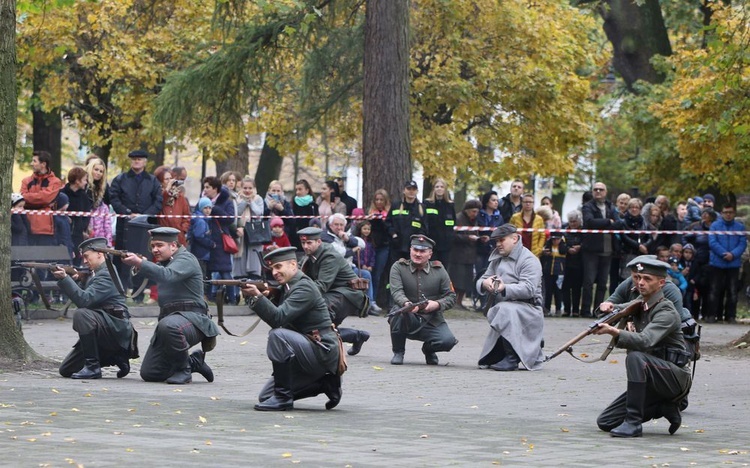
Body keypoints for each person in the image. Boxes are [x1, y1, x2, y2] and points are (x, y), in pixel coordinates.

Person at [593, 257, 692, 437]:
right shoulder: (641, 304)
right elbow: (619, 308)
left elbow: (645, 340)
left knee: (636, 357)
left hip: (673, 378)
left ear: (661, 283)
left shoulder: (666, 311)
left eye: (647, 279)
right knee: (605, 422)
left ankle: (633, 423)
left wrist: (613, 332)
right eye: (637, 277)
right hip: (650, 377)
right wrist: (608, 307)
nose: (640, 282)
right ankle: (663, 407)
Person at [241, 247, 342, 411]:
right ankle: (324, 384)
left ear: (293, 264)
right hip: (307, 349)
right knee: (265, 397)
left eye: (278, 267)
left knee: (278, 335)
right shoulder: (287, 287)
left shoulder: (304, 288)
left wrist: (258, 296)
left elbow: (278, 319)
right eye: (272, 268)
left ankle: (283, 399)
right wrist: (258, 296)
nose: (274, 272)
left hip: (322, 350)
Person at [121, 227, 219, 384]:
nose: (155, 249)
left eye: (159, 245)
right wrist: (139, 265)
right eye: (153, 246)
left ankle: (184, 370)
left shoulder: (186, 259)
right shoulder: (166, 263)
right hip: (170, 322)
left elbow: (167, 275)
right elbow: (150, 277)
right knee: (150, 373)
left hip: (193, 321)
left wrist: (141, 262)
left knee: (169, 326)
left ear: (173, 245)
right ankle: (194, 362)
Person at [53, 237, 135, 379]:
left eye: (86, 256)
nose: (84, 261)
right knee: (66, 370)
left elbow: (84, 300)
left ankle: (93, 367)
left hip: (115, 327)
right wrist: (77, 278)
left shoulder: (106, 273)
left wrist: (65, 278)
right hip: (104, 325)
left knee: (82, 314)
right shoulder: (97, 272)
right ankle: (115, 356)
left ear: (99, 254)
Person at [476, 224, 544, 371]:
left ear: (515, 238)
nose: (498, 244)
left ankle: (512, 358)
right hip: (506, 310)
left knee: (504, 309)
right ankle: (520, 349)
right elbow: (483, 279)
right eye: (496, 241)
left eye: (502, 240)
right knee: (487, 361)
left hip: (529, 309)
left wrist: (504, 287)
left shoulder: (529, 260)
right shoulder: (497, 259)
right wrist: (484, 284)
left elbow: (529, 289)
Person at [298, 227, 371, 356]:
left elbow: (321, 286)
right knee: (322, 328)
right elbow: (297, 275)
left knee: (317, 314)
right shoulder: (310, 255)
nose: (305, 246)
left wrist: (297, 295)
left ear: (319, 242)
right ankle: (355, 336)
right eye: (303, 243)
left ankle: (346, 340)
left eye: (309, 243)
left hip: (349, 294)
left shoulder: (329, 256)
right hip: (334, 293)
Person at [388, 235, 458, 365]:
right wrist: (407, 304)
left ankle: (429, 350)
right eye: (415, 250)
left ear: (430, 254)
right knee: (399, 313)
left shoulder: (439, 270)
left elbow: (451, 296)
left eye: (422, 251)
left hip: (432, 319)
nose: (418, 254)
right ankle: (398, 352)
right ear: (410, 250)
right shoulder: (398, 267)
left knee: (447, 341)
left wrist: (437, 304)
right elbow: (396, 292)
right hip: (407, 316)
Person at [109, 150, 162, 296]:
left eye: (139, 159)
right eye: (134, 159)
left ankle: (139, 293)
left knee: (142, 257)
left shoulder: (152, 181)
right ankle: (121, 291)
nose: (136, 162)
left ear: (145, 162)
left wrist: (144, 215)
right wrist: (127, 212)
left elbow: (158, 201)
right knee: (122, 258)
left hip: (144, 227)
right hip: (125, 226)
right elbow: (114, 198)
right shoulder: (120, 179)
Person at [580, 182, 620, 317]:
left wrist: (609, 222)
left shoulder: (610, 206)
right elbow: (590, 222)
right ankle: (585, 310)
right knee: (589, 282)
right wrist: (608, 222)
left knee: (603, 283)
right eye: (595, 189)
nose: (598, 191)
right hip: (591, 249)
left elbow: (618, 222)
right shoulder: (587, 206)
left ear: (605, 191)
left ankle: (598, 311)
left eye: (601, 189)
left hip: (608, 249)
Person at [707, 203, 746, 323]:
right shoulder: (715, 226)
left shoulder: (740, 227)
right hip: (717, 263)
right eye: (725, 212)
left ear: (734, 213)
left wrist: (733, 254)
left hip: (733, 264)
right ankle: (712, 315)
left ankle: (731, 316)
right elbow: (712, 242)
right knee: (714, 290)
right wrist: (724, 253)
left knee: (733, 291)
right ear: (722, 213)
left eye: (730, 212)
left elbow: (742, 243)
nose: (728, 215)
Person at [203, 176, 237, 304]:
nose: (205, 190)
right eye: (204, 187)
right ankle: (209, 297)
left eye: (208, 187)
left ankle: (232, 299)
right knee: (207, 271)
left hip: (221, 242)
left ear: (215, 189)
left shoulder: (226, 201)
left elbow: (230, 219)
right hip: (206, 240)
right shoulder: (204, 200)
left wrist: (214, 209)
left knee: (225, 272)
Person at [20, 150, 63, 246]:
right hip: (26, 226)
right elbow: (21, 199)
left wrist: (29, 198)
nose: (31, 164)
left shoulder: (55, 182)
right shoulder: (26, 181)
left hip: (44, 229)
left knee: (44, 259)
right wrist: (42, 201)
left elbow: (45, 198)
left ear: (43, 164)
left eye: (34, 161)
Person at [449, 199, 482, 310]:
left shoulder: (474, 221)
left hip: (470, 255)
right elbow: (453, 236)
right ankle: (454, 302)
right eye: (473, 211)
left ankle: (460, 301)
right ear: (467, 210)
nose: (475, 214)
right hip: (458, 255)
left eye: (476, 211)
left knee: (466, 280)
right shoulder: (458, 219)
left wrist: (480, 239)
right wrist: (467, 238)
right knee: (457, 280)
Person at [386, 180, 428, 262]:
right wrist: (393, 234)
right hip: (396, 245)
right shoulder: (396, 205)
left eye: (413, 189)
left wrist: (418, 239)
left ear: (417, 191)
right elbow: (388, 223)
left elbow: (424, 227)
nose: (411, 191)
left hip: (414, 248)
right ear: (404, 190)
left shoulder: (421, 208)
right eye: (409, 189)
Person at [236, 177, 269, 279]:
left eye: (250, 188)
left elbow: (258, 212)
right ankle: (240, 275)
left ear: (254, 188)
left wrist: (250, 202)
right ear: (241, 188)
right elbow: (237, 212)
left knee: (253, 255)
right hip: (241, 230)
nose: (247, 190)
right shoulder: (237, 198)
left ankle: (254, 274)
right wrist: (244, 202)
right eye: (245, 188)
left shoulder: (258, 199)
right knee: (241, 255)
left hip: (255, 231)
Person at [61, 166, 92, 265]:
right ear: (77, 181)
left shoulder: (84, 196)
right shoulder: (62, 195)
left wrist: (83, 228)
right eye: (84, 180)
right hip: (63, 233)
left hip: (78, 234)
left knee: (77, 260)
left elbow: (87, 215)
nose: (86, 182)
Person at [154, 166, 191, 247]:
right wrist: (167, 189)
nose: (170, 181)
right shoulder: (157, 195)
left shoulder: (179, 196)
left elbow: (186, 215)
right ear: (160, 181)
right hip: (163, 236)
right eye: (167, 179)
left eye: (170, 178)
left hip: (178, 237)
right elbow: (161, 202)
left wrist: (182, 230)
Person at [423, 178, 456, 266]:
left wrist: (451, 237)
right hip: (431, 242)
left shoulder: (450, 205)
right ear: (434, 189)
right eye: (437, 187)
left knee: (443, 267)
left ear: (445, 189)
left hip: (446, 243)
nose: (439, 189)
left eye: (442, 187)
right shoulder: (427, 204)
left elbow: (453, 223)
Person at [188, 197, 215, 298]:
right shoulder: (201, 221)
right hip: (201, 253)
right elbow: (199, 236)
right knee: (201, 275)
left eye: (209, 208)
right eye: (205, 208)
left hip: (201, 253)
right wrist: (210, 243)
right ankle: (201, 295)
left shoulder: (203, 219)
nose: (208, 210)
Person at [85, 157, 112, 246]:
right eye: (96, 169)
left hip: (100, 223)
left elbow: (108, 202)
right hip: (85, 221)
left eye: (101, 171)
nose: (98, 173)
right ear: (90, 169)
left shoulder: (104, 186)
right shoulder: (84, 184)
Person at [561, 210, 584, 317]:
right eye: (571, 221)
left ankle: (575, 310)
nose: (573, 224)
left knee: (577, 288)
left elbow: (588, 244)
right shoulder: (564, 231)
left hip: (580, 263)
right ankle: (566, 309)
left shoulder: (584, 232)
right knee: (565, 287)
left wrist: (580, 247)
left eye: (575, 221)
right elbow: (560, 246)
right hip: (566, 263)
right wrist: (568, 249)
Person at [510, 193, 545, 257]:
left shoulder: (539, 219)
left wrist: (539, 249)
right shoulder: (515, 217)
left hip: (534, 252)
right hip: (518, 251)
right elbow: (510, 233)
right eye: (525, 202)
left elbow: (542, 235)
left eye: (530, 202)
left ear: (533, 203)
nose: (528, 204)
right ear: (522, 203)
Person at [541, 232, 567, 316]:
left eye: (557, 239)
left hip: (559, 273)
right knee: (548, 291)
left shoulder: (563, 248)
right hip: (548, 272)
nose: (555, 241)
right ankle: (547, 309)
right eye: (553, 239)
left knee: (558, 292)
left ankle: (558, 309)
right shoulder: (547, 247)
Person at [290, 179, 319, 249]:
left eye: (300, 189)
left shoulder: (313, 205)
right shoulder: (293, 203)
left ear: (307, 190)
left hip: (309, 237)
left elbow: (316, 221)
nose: (297, 192)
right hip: (295, 236)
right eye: (296, 189)